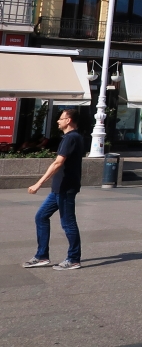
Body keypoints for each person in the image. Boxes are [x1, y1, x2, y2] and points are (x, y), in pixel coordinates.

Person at [23, 108, 85, 271]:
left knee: (68, 223)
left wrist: (38, 183)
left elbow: (58, 163)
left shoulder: (71, 138)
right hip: (59, 188)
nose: (58, 121)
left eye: (61, 118)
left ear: (69, 120)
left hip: (65, 188)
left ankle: (73, 259)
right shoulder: (72, 137)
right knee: (41, 217)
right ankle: (42, 256)